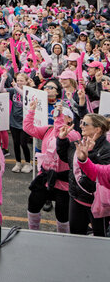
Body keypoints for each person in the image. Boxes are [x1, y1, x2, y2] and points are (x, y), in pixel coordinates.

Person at [24, 100, 80, 233]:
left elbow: (59, 135)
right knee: (33, 204)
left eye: (62, 115)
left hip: (63, 180)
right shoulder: (49, 129)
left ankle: (64, 238)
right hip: (45, 176)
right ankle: (33, 232)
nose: (56, 116)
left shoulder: (74, 134)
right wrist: (31, 111)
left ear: (70, 119)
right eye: (55, 114)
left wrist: (59, 119)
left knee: (62, 214)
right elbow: (28, 129)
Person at [56, 113, 110, 236]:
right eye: (81, 122)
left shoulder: (107, 149)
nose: (81, 126)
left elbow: (95, 178)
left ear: (97, 129)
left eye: (85, 123)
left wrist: (88, 154)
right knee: (76, 235)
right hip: (76, 198)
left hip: (97, 202)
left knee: (100, 238)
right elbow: (65, 157)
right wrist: (62, 140)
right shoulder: (79, 143)